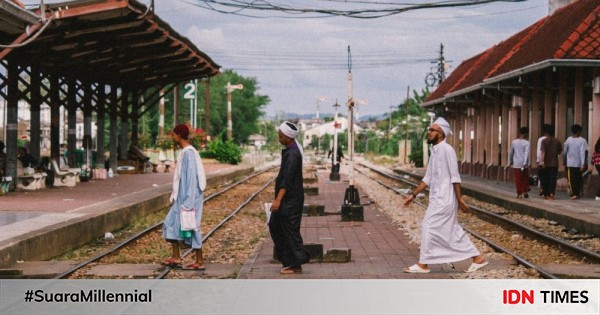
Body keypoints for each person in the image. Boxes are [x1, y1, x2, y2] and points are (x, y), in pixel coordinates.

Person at [402, 117, 488, 273]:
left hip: (445, 199)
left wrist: (460, 199)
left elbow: (455, 176)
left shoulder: (447, 150)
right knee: (451, 230)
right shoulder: (434, 151)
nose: (428, 132)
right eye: (429, 130)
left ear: (440, 133)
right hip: (437, 198)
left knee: (428, 226)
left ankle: (423, 265)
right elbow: (427, 178)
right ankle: (477, 258)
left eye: (432, 130)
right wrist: (413, 195)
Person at [161, 124, 207, 270]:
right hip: (181, 197)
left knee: (192, 226)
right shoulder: (185, 152)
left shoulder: (189, 153)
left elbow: (191, 179)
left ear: (179, 135)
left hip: (189, 197)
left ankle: (199, 261)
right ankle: (176, 257)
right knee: (170, 223)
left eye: (173, 134)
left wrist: (188, 203)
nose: (172, 137)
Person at [269, 121, 310, 274]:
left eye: (280, 136)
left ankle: (295, 263)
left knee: (289, 230)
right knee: (277, 226)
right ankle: (291, 262)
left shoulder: (292, 154)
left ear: (287, 137)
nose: (279, 138)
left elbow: (287, 179)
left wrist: (278, 199)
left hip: (290, 200)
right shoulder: (290, 150)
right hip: (289, 199)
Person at [563, 124, 588, 200]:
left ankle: (574, 193)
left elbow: (565, 151)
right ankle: (576, 193)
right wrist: (583, 163)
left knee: (571, 179)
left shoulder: (568, 140)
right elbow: (583, 152)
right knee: (578, 179)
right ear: (578, 131)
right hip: (579, 164)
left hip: (570, 163)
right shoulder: (583, 141)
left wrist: (564, 160)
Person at [540, 124, 562, 200]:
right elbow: (559, 152)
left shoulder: (544, 141)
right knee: (553, 179)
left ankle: (546, 194)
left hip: (546, 163)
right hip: (554, 163)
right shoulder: (557, 141)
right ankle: (552, 193)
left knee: (546, 179)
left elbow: (543, 152)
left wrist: (542, 161)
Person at [508, 127, 531, 198]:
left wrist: (510, 160)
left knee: (518, 178)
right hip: (524, 164)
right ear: (526, 134)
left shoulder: (514, 142)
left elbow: (511, 152)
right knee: (524, 177)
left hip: (517, 164)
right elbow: (526, 153)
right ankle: (525, 191)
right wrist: (525, 162)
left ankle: (520, 193)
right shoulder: (527, 143)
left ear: (520, 133)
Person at [536, 125, 549, 196]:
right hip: (551, 162)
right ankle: (547, 191)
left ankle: (543, 189)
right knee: (548, 177)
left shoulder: (541, 139)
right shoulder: (553, 139)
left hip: (542, 161)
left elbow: (539, 151)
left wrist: (539, 160)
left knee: (542, 176)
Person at [591, 137, 600, 201]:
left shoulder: (597, 147)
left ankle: (598, 196)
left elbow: (593, 159)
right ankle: (598, 195)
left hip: (597, 165)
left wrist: (592, 164)